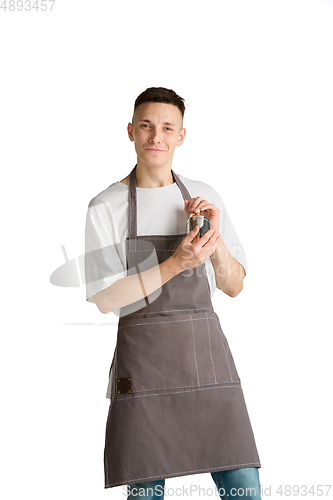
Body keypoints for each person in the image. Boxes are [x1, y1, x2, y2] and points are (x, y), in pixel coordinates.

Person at [84, 87, 262, 499]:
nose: (155, 137)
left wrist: (213, 239)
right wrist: (175, 263)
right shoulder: (106, 206)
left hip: (207, 358)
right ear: (131, 131)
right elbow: (106, 299)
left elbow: (234, 286)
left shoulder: (203, 197)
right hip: (144, 367)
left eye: (167, 127)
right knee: (146, 490)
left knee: (244, 487)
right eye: (146, 126)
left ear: (181, 136)